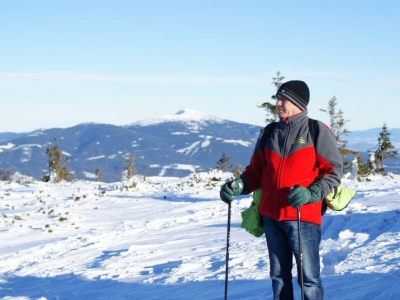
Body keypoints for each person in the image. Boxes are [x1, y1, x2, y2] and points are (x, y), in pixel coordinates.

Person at [220, 80, 343, 300]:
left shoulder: (316, 130)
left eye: (282, 99)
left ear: (297, 103)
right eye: (277, 98)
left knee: (309, 280)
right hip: (271, 218)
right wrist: (240, 185)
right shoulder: (269, 132)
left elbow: (333, 173)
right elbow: (256, 172)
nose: (277, 103)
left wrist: (312, 193)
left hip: (302, 217)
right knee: (278, 277)